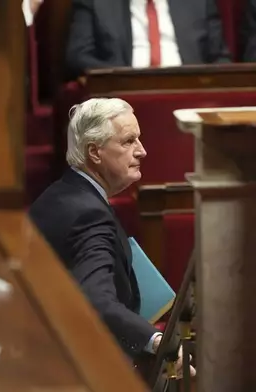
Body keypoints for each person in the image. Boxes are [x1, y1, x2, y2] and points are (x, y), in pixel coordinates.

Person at [29, 98, 194, 374]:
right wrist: (156, 340)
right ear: (95, 152)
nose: (142, 151)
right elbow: (96, 299)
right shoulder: (88, 215)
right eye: (128, 141)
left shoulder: (62, 193)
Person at [65, 0, 230, 78]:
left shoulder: (199, 3)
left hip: (188, 95)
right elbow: (78, 56)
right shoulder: (96, 3)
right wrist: (121, 80)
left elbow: (221, 58)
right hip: (122, 102)